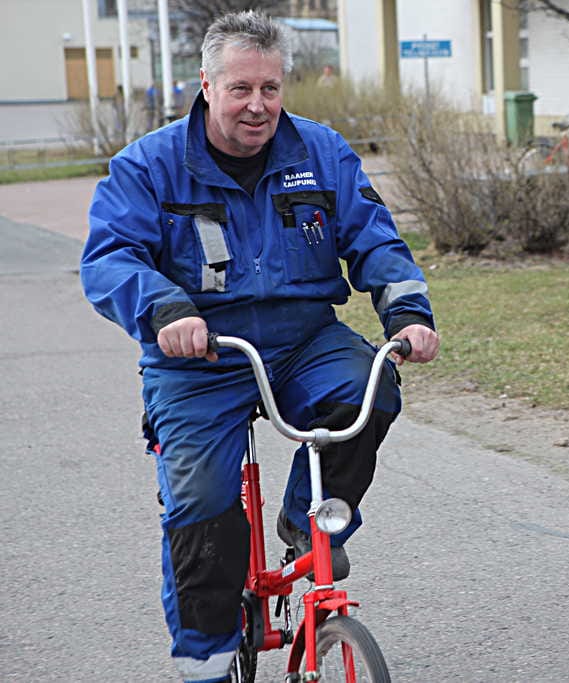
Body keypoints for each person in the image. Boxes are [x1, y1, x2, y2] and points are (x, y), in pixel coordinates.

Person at [80, 11, 439, 683]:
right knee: (202, 510)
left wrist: (409, 314)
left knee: (369, 387)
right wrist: (165, 309)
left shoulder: (321, 152)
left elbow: (376, 239)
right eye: (241, 88)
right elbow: (109, 258)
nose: (257, 105)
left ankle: (311, 524)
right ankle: (206, 662)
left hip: (302, 341)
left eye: (270, 88)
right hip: (200, 358)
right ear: (207, 85)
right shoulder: (149, 166)